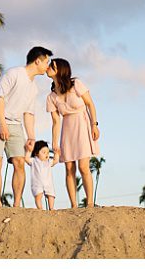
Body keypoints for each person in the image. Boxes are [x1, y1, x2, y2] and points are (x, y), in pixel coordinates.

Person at [0, 46, 53, 207]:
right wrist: (2, 125)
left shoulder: (33, 88)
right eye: (46, 62)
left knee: (20, 162)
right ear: (37, 61)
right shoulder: (14, 74)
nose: (47, 66)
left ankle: (16, 205)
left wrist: (31, 137)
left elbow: (28, 114)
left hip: (15, 123)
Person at [47, 57, 100, 208]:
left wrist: (94, 125)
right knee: (69, 168)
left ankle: (90, 203)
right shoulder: (51, 97)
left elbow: (90, 104)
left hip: (82, 125)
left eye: (52, 66)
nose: (48, 68)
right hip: (67, 130)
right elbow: (56, 122)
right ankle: (74, 205)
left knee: (84, 166)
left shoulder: (76, 84)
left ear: (60, 70)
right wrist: (55, 143)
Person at [27, 141, 57, 210]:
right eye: (43, 152)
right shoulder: (34, 161)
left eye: (48, 152)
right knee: (38, 196)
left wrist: (56, 153)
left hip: (48, 183)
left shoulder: (49, 161)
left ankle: (51, 208)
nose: (46, 154)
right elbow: (26, 159)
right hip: (37, 183)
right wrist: (29, 151)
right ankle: (40, 209)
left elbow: (55, 161)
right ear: (36, 153)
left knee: (51, 195)